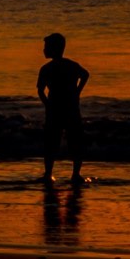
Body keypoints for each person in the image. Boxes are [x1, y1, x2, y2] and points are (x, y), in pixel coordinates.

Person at [37, 32, 90, 185]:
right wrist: (77, 92)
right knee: (75, 140)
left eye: (46, 47)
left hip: (55, 109)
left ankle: (48, 174)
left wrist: (47, 104)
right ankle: (75, 174)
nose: (44, 50)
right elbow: (85, 74)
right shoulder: (71, 65)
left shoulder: (47, 68)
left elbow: (40, 90)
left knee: (52, 142)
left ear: (54, 48)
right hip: (71, 107)